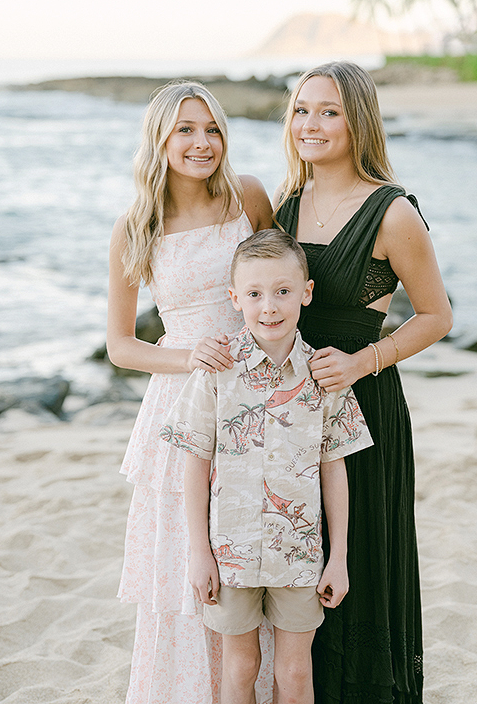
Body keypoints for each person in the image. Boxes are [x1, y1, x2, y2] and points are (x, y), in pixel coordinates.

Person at [272, 61, 452, 702]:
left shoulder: (393, 212)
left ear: (358, 122)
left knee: (361, 560)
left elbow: (437, 316)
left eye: (329, 112)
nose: (310, 124)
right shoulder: (285, 205)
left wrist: (360, 363)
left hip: (363, 405)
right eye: (301, 110)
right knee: (300, 563)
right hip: (289, 410)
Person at [107, 81, 273, 702]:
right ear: (160, 139)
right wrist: (186, 357)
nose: (202, 143)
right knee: (187, 568)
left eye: (212, 129)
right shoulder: (136, 226)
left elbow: (280, 275)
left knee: (252, 556)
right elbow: (122, 346)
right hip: (181, 401)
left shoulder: (247, 195)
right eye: (185, 130)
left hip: (257, 394)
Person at [163, 229, 371, 702]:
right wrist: (199, 553)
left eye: (282, 292)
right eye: (254, 294)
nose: (269, 307)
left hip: (299, 557)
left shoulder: (324, 374)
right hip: (230, 555)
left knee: (296, 674)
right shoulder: (217, 369)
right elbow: (194, 465)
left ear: (306, 293)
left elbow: (334, 468)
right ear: (235, 298)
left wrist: (337, 558)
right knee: (241, 667)